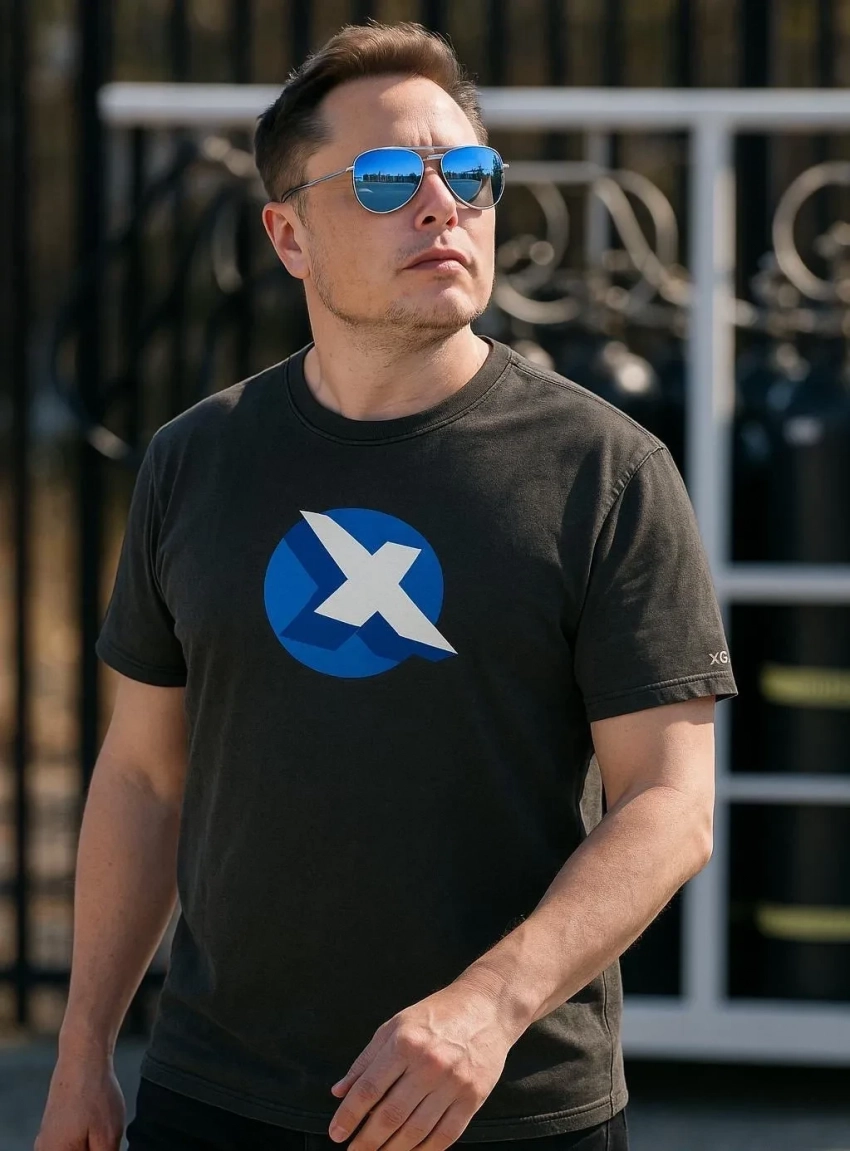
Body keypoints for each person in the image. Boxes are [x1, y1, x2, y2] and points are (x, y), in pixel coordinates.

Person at [36, 19, 737, 1151]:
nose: (441, 205)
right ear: (289, 235)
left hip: (500, 1106)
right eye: (383, 180)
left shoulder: (605, 470)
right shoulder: (195, 459)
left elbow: (669, 804)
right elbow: (145, 776)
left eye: (468, 173)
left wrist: (487, 1006)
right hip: (215, 1098)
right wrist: (81, 1056)